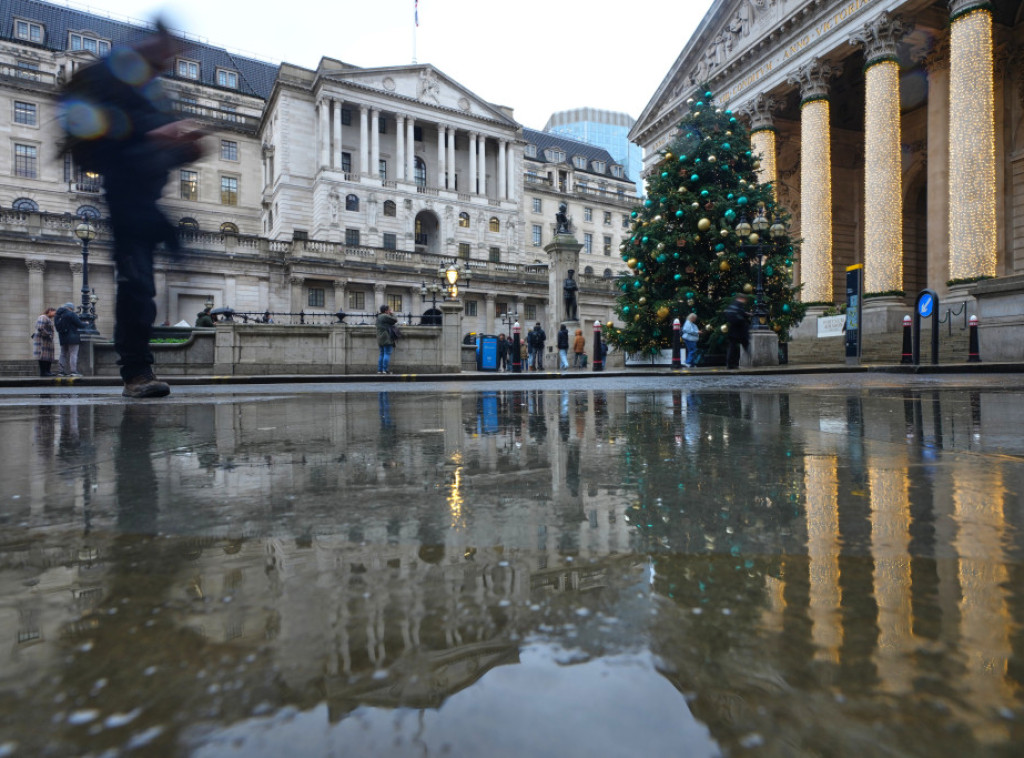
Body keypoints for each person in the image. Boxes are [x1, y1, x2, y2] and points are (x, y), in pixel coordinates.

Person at [60, 22, 206, 398]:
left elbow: (162, 142)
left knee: (147, 281)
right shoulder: (112, 71)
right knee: (136, 283)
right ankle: (135, 371)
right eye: (170, 52)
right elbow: (87, 122)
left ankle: (139, 368)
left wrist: (184, 147)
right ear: (155, 42)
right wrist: (151, 135)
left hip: (146, 193)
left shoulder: (152, 89)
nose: (172, 62)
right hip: (123, 191)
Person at [54, 303, 87, 377]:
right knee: (73, 354)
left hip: (62, 337)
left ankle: (61, 371)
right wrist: (86, 323)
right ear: (70, 308)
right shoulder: (71, 314)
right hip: (73, 337)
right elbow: (79, 324)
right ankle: (73, 371)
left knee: (63, 354)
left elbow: (57, 327)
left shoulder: (57, 315)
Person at [723, 294, 750, 369]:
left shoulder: (734, 305)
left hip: (735, 330)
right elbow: (736, 315)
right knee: (735, 347)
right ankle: (732, 364)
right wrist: (743, 318)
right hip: (738, 330)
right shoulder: (737, 305)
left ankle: (731, 364)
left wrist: (745, 314)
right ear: (741, 298)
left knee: (733, 346)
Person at [32, 307, 57, 376]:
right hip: (42, 341)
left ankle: (48, 371)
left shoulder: (48, 319)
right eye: (54, 313)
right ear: (50, 311)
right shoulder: (43, 317)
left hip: (47, 341)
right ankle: (44, 372)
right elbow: (40, 327)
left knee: (48, 356)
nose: (55, 315)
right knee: (43, 356)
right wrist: (48, 335)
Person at [376, 304, 398, 374]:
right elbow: (394, 320)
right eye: (389, 310)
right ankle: (385, 370)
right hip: (386, 338)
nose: (389, 311)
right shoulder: (384, 316)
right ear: (386, 311)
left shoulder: (379, 316)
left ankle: (380, 370)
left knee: (382, 354)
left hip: (380, 338)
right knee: (387, 354)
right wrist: (392, 313)